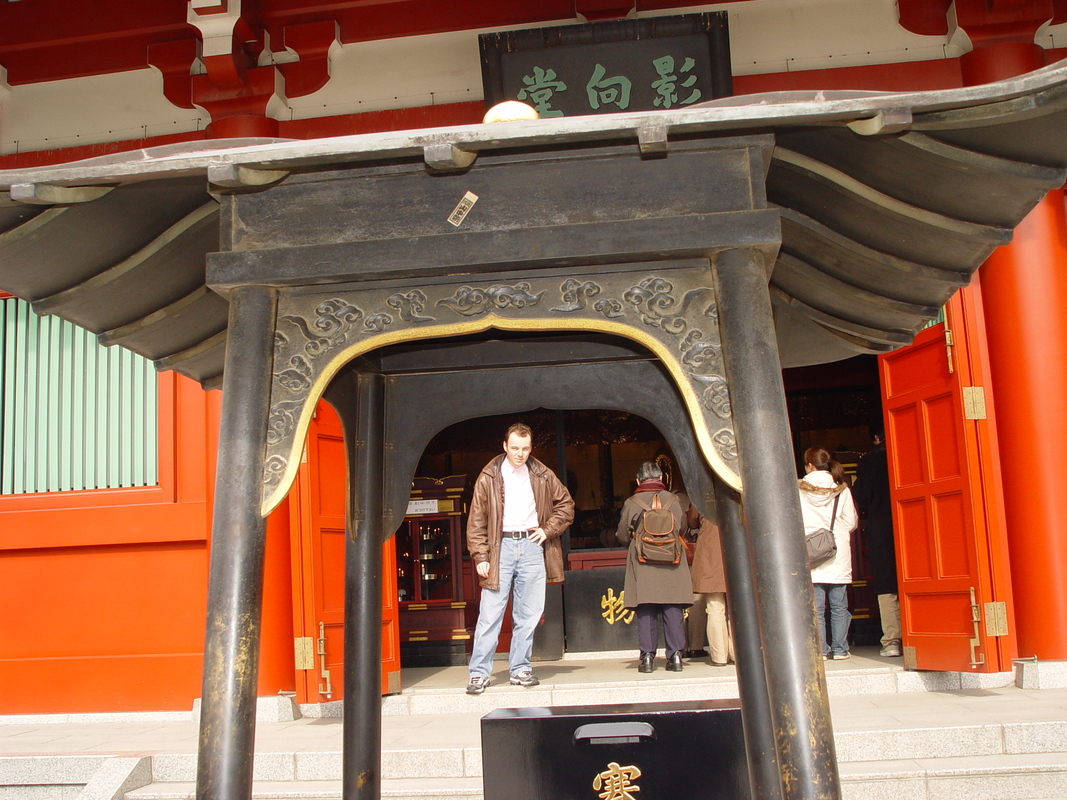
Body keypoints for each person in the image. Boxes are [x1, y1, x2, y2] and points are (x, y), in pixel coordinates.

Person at [465, 422, 574, 695]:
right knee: (490, 614)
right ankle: (479, 673)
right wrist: (481, 554)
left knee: (529, 613)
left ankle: (520, 668)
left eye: (525, 448)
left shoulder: (542, 473)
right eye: (515, 448)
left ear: (531, 448)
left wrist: (546, 530)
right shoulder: (489, 475)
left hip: (531, 546)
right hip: (499, 547)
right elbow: (477, 519)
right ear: (505, 446)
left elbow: (566, 505)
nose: (520, 454)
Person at [616, 461, 691, 673]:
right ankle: (675, 656)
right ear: (661, 479)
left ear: (639, 480)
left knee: (646, 607)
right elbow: (683, 527)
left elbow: (622, 534)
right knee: (673, 607)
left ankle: (647, 658)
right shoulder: (674, 500)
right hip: (672, 560)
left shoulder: (632, 502)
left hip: (643, 560)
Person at [799, 446, 859, 660]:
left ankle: (821, 650)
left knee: (815, 607)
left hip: (810, 550)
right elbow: (851, 522)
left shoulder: (799, 489)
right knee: (839, 605)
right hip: (836, 551)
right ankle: (841, 649)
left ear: (809, 465)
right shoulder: (841, 490)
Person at [852, 422, 902, 657]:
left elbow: (862, 494)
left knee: (887, 584)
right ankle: (921, 634)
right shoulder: (907, 452)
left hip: (882, 529)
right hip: (911, 526)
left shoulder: (870, 462)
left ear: (875, 438)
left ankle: (892, 640)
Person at [685, 503, 734, 666]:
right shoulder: (737, 491)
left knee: (715, 607)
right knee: (736, 611)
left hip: (711, 555)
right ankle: (736, 654)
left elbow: (691, 522)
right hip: (736, 552)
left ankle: (719, 656)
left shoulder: (702, 495)